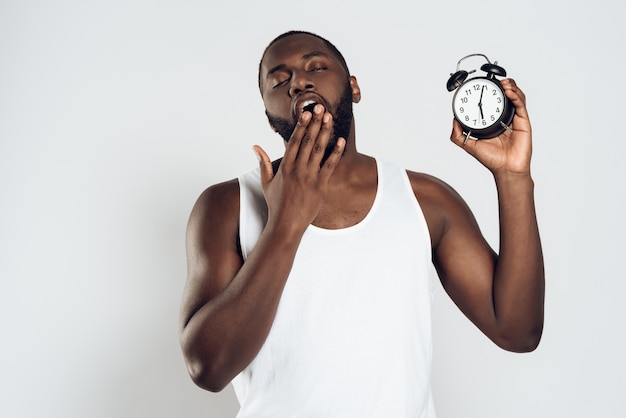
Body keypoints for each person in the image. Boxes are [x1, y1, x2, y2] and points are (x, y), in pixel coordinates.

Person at [179, 30, 544, 417]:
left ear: (353, 88)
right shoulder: (225, 205)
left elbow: (517, 331)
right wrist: (286, 223)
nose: (298, 82)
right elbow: (208, 369)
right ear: (270, 116)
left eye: (315, 67)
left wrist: (513, 178)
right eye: (279, 80)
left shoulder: (426, 200)